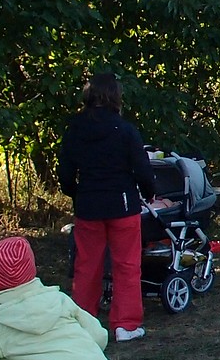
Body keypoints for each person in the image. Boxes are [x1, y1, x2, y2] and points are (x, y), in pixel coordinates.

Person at [58, 73, 156, 343]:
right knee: (126, 265)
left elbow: (65, 172)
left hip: (88, 204)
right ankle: (126, 324)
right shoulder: (124, 129)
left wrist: (76, 193)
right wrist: (149, 192)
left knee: (86, 265)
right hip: (122, 204)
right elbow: (142, 168)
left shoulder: (75, 128)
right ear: (116, 96)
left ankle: (83, 322)